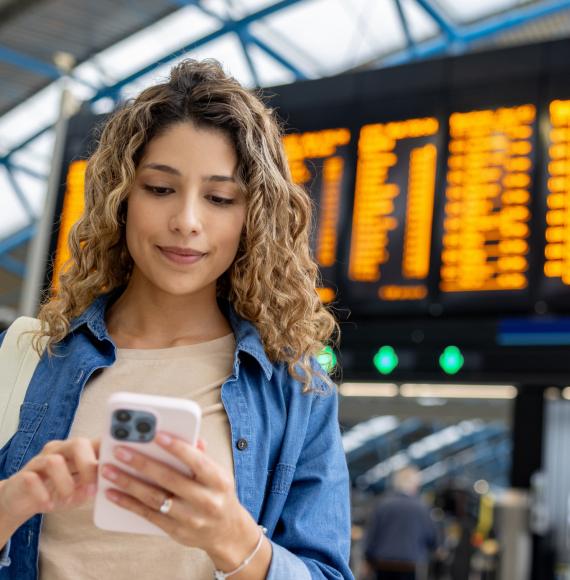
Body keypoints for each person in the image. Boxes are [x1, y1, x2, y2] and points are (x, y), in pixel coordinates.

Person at [0, 59, 353, 580]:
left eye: (219, 197)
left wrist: (234, 541)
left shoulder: (296, 389)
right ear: (121, 199)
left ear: (252, 216)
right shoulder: (28, 355)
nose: (186, 221)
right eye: (160, 188)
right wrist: (11, 505)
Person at [363, 466, 437, 580]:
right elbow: (431, 538)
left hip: (382, 564)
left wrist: (368, 559)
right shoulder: (422, 508)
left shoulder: (382, 505)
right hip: (409, 565)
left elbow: (371, 536)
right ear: (415, 484)